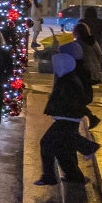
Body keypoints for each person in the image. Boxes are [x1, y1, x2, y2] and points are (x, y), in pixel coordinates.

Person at [35, 51, 95, 184]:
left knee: (47, 142)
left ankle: (87, 147)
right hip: (66, 118)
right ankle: (72, 175)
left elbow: (72, 103)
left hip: (66, 119)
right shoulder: (68, 78)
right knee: (62, 147)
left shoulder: (68, 82)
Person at [72, 21, 102, 87]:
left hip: (82, 73)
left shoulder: (76, 44)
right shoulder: (93, 42)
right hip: (94, 73)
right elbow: (100, 55)